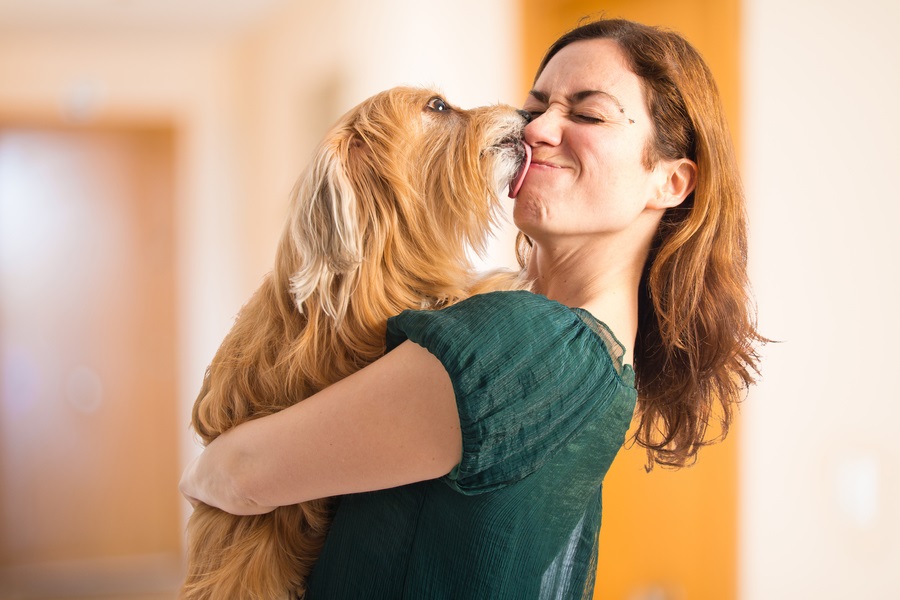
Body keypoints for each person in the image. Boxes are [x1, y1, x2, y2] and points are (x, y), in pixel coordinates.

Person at [179, 18, 762, 599]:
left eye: (588, 113)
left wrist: (203, 470)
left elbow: (238, 475)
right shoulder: (591, 362)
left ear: (671, 182)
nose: (536, 130)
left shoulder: (533, 344)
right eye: (535, 110)